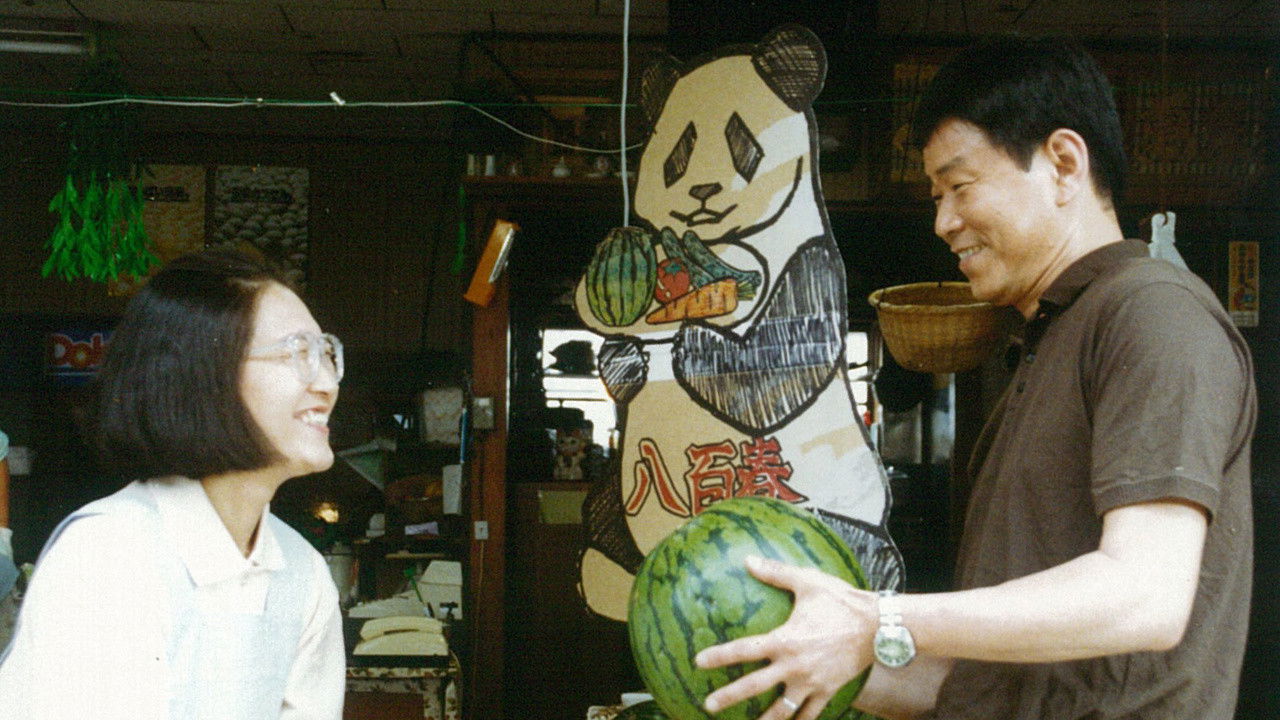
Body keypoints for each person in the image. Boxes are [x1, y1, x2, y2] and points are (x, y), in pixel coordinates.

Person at [694, 34, 1255, 720]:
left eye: (959, 187)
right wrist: (788, 656)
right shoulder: (1047, 341)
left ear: (1063, 164)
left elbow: (1144, 596)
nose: (943, 222)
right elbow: (977, 685)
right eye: (937, 196)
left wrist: (877, 617)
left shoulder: (1152, 313)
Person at [0, 249, 347, 719]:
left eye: (326, 354)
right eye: (297, 354)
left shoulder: (303, 574)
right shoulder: (108, 554)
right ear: (203, 375)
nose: (326, 384)